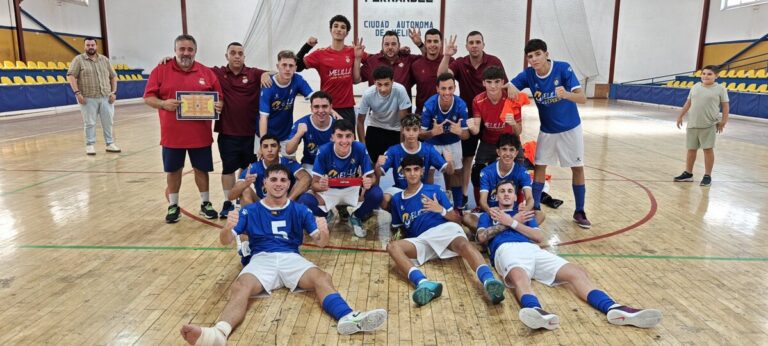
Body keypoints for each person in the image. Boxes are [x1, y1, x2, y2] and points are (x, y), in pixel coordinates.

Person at [179, 164, 387, 345]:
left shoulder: (300, 210)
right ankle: (219, 334)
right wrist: (227, 227)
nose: (278, 184)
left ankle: (347, 317)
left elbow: (321, 244)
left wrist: (324, 231)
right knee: (240, 286)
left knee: (322, 277)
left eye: (283, 180)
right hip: (261, 258)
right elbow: (225, 241)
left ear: (289, 185)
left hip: (291, 258)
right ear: (265, 184)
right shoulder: (249, 211)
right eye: (273, 180)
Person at [476, 180, 662, 330]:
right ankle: (534, 310)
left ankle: (612, 308)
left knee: (576, 272)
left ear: (515, 195)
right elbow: (481, 237)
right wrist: (507, 222)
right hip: (506, 249)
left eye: (510, 190)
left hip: (532, 249)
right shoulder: (489, 215)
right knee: (519, 278)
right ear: (496, 195)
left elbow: (539, 237)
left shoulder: (523, 213)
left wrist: (515, 222)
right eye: (502, 191)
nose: (506, 194)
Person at [386, 154, 505, 306]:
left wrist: (440, 210)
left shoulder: (434, 190)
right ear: (402, 173)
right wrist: (395, 237)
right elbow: (398, 228)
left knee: (463, 245)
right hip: (423, 239)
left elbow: (457, 219)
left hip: (444, 229)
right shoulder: (397, 199)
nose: (413, 173)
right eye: (408, 170)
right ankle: (423, 284)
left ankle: (489, 281)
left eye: (416, 169)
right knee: (392, 247)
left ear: (422, 171)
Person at [506, 39, 591, 228]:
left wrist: (566, 94)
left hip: (570, 128)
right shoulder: (529, 74)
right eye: (530, 56)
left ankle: (579, 211)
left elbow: (583, 97)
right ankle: (535, 207)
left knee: (577, 167)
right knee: (540, 166)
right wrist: (510, 85)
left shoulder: (563, 69)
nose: (534, 59)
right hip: (547, 130)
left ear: (546, 54)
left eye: (538, 54)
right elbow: (510, 86)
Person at [144, 34, 223, 223]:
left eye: (190, 49)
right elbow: (148, 98)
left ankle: (205, 203)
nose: (186, 53)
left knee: (201, 169)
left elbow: (218, 96)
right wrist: (163, 104)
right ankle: (173, 205)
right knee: (173, 170)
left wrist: (219, 105)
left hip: (200, 134)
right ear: (175, 50)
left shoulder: (206, 72)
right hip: (172, 135)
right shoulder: (161, 70)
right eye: (182, 49)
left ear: (195, 51)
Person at [438, 31, 507, 209]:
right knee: (467, 158)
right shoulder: (460, 62)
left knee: (496, 156)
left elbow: (504, 84)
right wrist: (446, 55)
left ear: (483, 44)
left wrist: (513, 88)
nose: (474, 45)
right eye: (471, 42)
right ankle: (465, 195)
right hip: (469, 117)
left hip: (492, 117)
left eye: (478, 42)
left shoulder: (494, 61)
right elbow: (442, 76)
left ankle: (498, 195)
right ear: (467, 46)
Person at [209, 42, 271, 218]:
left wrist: (266, 73)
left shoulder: (253, 73)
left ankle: (241, 199)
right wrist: (169, 60)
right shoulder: (217, 73)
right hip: (227, 132)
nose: (237, 56)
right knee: (228, 169)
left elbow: (276, 73)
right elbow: (195, 68)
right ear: (226, 55)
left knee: (247, 169)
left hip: (251, 134)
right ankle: (228, 201)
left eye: (240, 53)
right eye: (233, 53)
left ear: (244, 57)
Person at [298, 120, 384, 238]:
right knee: (305, 200)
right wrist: (321, 185)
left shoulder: (359, 148)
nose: (344, 141)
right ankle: (325, 215)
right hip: (329, 190)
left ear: (353, 137)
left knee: (377, 194)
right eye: (339, 136)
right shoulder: (323, 151)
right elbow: (314, 184)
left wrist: (369, 181)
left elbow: (372, 177)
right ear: (332, 137)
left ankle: (356, 216)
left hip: (352, 190)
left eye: (348, 136)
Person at [467, 66, 529, 212]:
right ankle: (480, 206)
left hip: (511, 142)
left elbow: (519, 130)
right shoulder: (478, 100)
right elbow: (476, 129)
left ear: (502, 82)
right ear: (484, 83)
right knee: (477, 173)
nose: (493, 86)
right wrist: (470, 126)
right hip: (488, 142)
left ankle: (517, 206)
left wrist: (513, 122)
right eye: (489, 82)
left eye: (496, 82)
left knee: (519, 173)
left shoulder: (512, 98)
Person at [462, 134, 543, 234]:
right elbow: (482, 201)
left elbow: (530, 198)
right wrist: (490, 211)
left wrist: (525, 209)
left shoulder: (522, 172)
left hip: (514, 214)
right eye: (504, 149)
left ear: (517, 152)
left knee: (540, 215)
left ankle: (493, 235)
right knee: (466, 218)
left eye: (511, 150)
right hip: (493, 214)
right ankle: (512, 231)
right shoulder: (486, 172)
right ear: (498, 151)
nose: (508, 153)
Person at [296, 15, 365, 125]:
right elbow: (297, 67)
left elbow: (374, 59)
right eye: (336, 26)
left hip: (347, 108)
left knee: (347, 141)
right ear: (330, 30)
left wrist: (398, 51)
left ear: (346, 33)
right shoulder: (320, 54)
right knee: (327, 142)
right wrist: (307, 46)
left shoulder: (353, 51)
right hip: (325, 108)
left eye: (343, 27)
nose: (339, 29)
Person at [375, 113, 453, 209]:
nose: (411, 134)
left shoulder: (428, 149)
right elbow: (379, 173)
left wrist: (449, 162)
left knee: (439, 198)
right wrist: (378, 164)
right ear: (402, 130)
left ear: (419, 131)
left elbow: (449, 171)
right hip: (400, 189)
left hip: (421, 189)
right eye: (408, 129)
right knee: (385, 200)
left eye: (415, 129)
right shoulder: (393, 150)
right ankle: (394, 219)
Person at [419, 72, 469, 211]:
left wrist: (460, 132)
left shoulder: (460, 105)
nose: (447, 92)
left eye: (450, 88)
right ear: (437, 89)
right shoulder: (429, 104)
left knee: (456, 172)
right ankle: (428, 204)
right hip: (433, 142)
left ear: (454, 88)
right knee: (429, 172)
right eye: (443, 88)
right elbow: (421, 135)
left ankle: (457, 206)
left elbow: (466, 135)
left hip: (453, 141)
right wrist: (432, 132)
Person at [674, 65, 730, 187]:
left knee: (708, 149)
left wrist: (724, 121)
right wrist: (680, 116)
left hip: (709, 124)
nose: (705, 76)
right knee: (691, 149)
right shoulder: (695, 87)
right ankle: (688, 174)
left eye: (709, 74)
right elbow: (688, 102)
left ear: (716, 76)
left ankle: (707, 176)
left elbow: (725, 106)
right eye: (703, 73)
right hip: (693, 123)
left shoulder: (720, 89)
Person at [67, 37, 120, 155]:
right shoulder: (78, 60)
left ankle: (110, 143)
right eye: (88, 45)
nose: (90, 47)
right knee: (90, 122)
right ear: (84, 46)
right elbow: (71, 76)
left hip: (106, 97)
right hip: (88, 97)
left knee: (108, 122)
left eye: (92, 45)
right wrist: (77, 93)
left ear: (96, 46)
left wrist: (113, 92)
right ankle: (90, 145)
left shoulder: (104, 60)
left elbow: (113, 76)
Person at [259, 50, 314, 158]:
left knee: (289, 166)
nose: (288, 69)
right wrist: (263, 142)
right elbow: (263, 118)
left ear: (295, 67)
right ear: (277, 66)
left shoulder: (297, 79)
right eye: (284, 65)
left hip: (286, 133)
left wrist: (331, 110)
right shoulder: (268, 84)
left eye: (291, 65)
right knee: (267, 167)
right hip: (266, 133)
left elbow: (316, 98)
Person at [229, 134, 310, 205]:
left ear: (280, 148)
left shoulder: (289, 163)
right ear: (260, 150)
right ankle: (254, 221)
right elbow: (231, 196)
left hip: (286, 203)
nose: (269, 150)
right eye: (265, 146)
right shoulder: (254, 168)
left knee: (302, 184)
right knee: (245, 190)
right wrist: (245, 183)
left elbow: (307, 178)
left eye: (273, 145)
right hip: (263, 205)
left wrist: (289, 200)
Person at [356, 65, 412, 164]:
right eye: (379, 84)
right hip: (376, 127)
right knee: (372, 166)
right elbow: (360, 121)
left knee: (399, 165)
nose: (383, 89)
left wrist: (403, 145)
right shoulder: (368, 94)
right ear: (374, 83)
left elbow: (404, 122)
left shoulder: (400, 90)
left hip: (396, 129)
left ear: (392, 81)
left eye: (387, 84)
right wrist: (362, 146)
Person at [355, 29, 425, 100]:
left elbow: (427, 58)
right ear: (382, 46)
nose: (390, 47)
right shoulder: (372, 61)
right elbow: (356, 80)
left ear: (399, 45)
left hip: (403, 110)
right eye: (387, 44)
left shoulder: (408, 59)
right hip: (377, 110)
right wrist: (357, 59)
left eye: (393, 44)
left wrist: (420, 44)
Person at [285, 91, 336, 174]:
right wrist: (298, 134)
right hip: (309, 165)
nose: (321, 110)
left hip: (333, 166)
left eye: (324, 106)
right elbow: (289, 150)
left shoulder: (337, 124)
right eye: (316, 107)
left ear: (330, 107)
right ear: (311, 108)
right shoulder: (302, 123)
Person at [411, 28, 453, 114]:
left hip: (445, 113)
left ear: (441, 43)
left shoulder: (450, 61)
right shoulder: (416, 65)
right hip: (421, 113)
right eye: (429, 41)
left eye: (435, 41)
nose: (432, 44)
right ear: (425, 43)